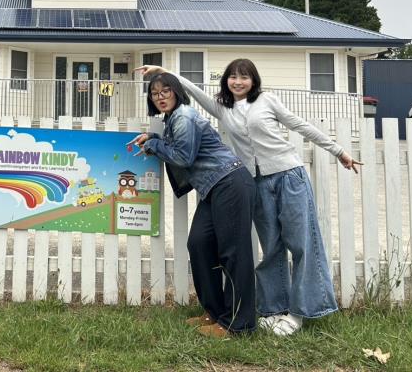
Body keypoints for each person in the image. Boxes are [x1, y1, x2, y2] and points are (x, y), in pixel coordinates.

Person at [135, 59, 361, 336]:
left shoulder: (267, 100)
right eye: (233, 77)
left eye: (244, 77)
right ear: (226, 81)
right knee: (271, 248)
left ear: (253, 80)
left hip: (287, 174)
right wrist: (165, 72)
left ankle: (298, 313)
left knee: (300, 243)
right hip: (256, 181)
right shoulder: (223, 108)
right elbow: (192, 90)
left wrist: (339, 151)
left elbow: (300, 125)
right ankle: (273, 310)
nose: (238, 82)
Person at [129, 72, 257, 338]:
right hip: (213, 187)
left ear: (176, 91)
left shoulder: (184, 116)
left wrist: (153, 144)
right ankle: (215, 312)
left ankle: (239, 324)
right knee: (199, 243)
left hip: (229, 182)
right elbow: (176, 145)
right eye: (155, 93)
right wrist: (153, 138)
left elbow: (183, 156)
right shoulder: (173, 119)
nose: (160, 97)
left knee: (234, 253)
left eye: (165, 91)